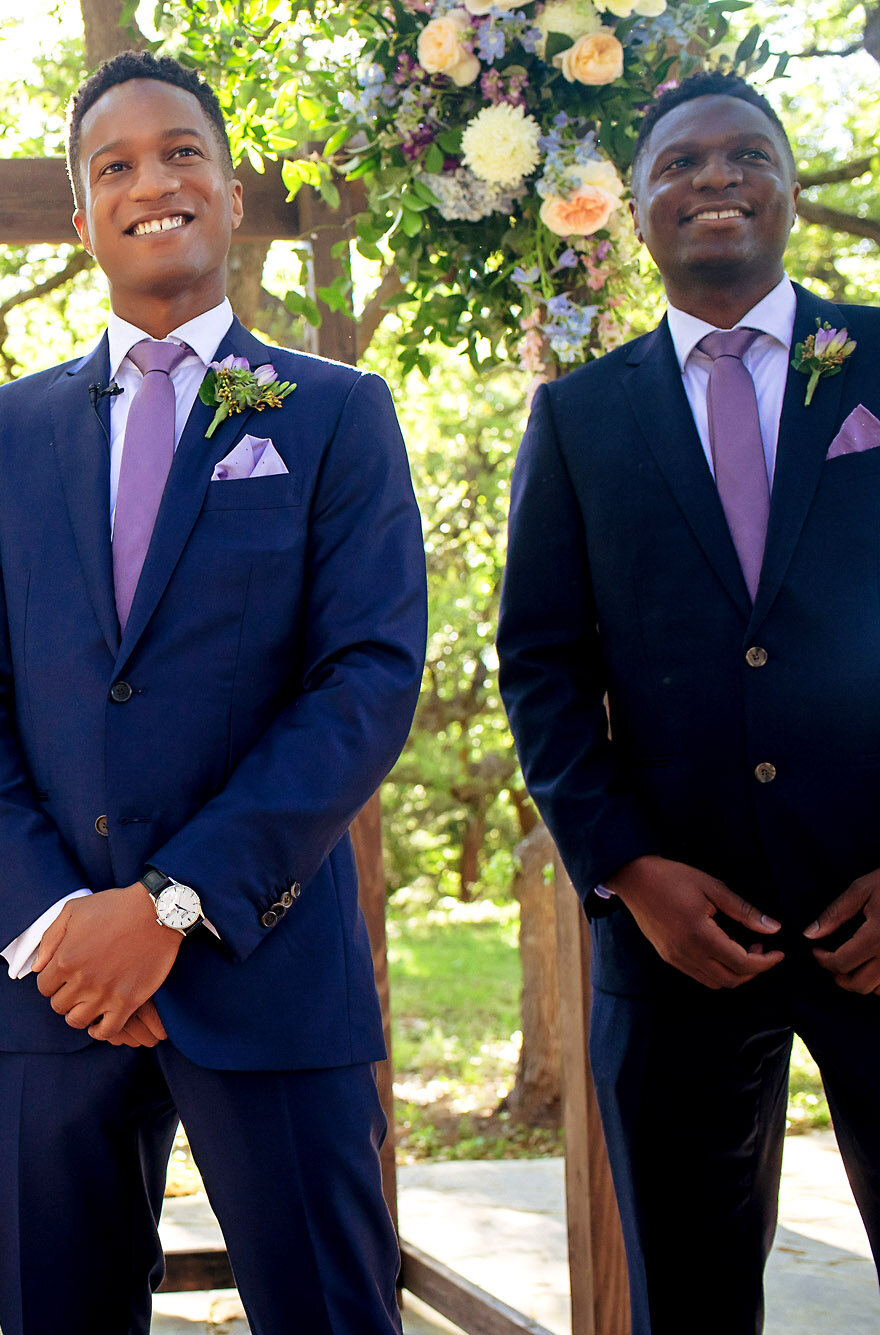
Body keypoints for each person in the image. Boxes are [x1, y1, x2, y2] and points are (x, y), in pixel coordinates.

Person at [0, 52, 426, 1335]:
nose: (153, 180)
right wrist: (48, 927)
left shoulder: (335, 414)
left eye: (182, 151)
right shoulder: (2, 432)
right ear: (78, 214)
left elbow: (362, 678)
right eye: (115, 165)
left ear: (231, 191)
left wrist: (175, 902)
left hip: (268, 970)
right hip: (55, 988)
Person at [498, 72, 880, 1334]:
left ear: (786, 190)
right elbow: (540, 666)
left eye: (742, 155)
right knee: (691, 1301)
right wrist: (623, 870)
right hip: (675, 941)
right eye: (677, 165)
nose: (711, 179)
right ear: (636, 214)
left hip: (875, 911)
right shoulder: (577, 418)